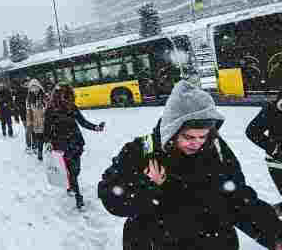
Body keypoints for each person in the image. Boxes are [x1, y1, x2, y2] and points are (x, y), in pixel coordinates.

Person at [98, 80, 282, 250]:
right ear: (172, 130)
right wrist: (148, 187)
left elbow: (239, 199)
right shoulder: (141, 151)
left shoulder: (215, 149)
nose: (197, 143)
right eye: (188, 137)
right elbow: (111, 199)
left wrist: (275, 236)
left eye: (203, 136)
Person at [44, 83, 105, 209]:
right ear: (56, 95)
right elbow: (46, 128)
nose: (64, 97)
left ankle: (71, 185)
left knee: (76, 170)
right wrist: (48, 142)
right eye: (62, 94)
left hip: (76, 142)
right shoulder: (50, 110)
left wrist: (96, 127)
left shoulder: (72, 107)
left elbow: (82, 122)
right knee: (72, 171)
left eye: (67, 94)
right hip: (61, 144)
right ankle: (78, 197)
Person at [246, 91, 282, 215]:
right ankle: (268, 216)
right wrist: (275, 148)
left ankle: (271, 214)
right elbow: (252, 131)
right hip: (278, 164)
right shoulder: (272, 109)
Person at [26, 79, 46, 161]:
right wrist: (29, 122)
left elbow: (49, 107)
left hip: (45, 120)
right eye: (32, 88)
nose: (34, 90)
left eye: (35, 87)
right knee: (40, 139)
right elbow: (28, 112)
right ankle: (40, 153)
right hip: (36, 122)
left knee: (49, 138)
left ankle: (52, 154)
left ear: (39, 87)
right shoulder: (29, 99)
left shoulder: (44, 96)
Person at [13, 77, 30, 151]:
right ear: (23, 84)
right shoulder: (19, 92)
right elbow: (16, 105)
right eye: (26, 83)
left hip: (31, 113)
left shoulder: (31, 90)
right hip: (24, 113)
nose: (27, 84)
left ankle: (33, 144)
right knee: (28, 129)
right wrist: (16, 117)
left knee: (32, 130)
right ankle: (29, 145)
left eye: (28, 82)